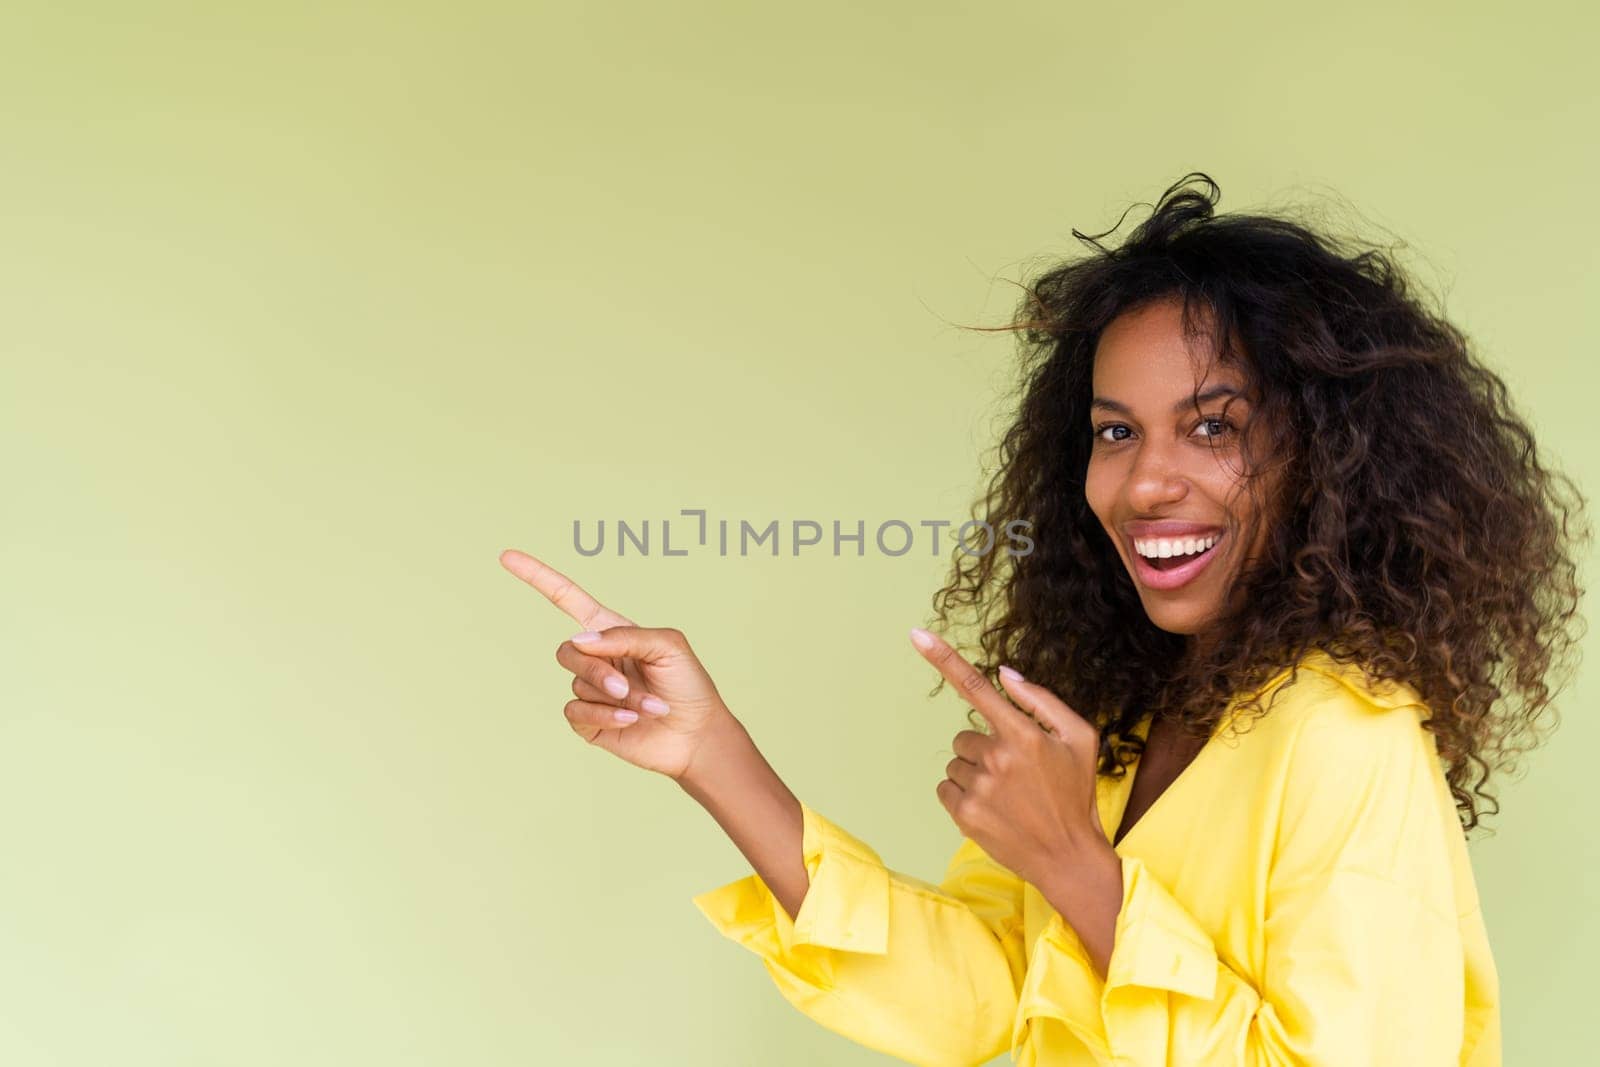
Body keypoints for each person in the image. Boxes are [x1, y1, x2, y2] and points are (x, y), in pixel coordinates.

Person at [499, 173, 1588, 1066]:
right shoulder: (1110, 717)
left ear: (1329, 456)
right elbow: (984, 1006)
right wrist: (714, 755)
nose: (1145, 481)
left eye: (1212, 426)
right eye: (1115, 433)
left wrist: (1078, 865)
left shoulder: (1347, 733)